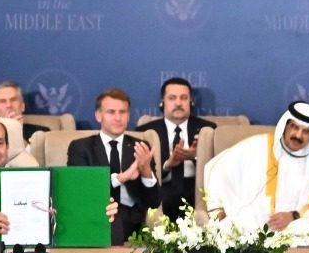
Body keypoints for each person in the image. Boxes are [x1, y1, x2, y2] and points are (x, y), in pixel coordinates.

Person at [203, 102, 309, 244]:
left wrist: (293, 216)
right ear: (286, 126)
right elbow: (218, 167)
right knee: (228, 233)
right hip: (253, 219)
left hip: (293, 226)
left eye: (306, 131)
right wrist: (217, 207)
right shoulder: (259, 145)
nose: (298, 135)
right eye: (294, 127)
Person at [66, 88, 159, 243]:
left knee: (120, 222)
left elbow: (154, 202)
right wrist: (122, 177)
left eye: (122, 112)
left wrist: (146, 171)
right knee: (112, 222)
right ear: (98, 115)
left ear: (128, 116)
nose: (118, 118)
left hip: (131, 220)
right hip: (94, 217)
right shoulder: (81, 147)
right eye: (111, 112)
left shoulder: (140, 147)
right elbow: (80, 193)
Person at [135, 77, 214, 220]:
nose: (178, 103)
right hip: (162, 193)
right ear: (162, 102)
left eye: (184, 98)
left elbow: (219, 169)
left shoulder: (208, 129)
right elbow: (140, 172)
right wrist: (167, 165)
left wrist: (196, 157)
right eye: (172, 98)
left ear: (191, 102)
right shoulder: (145, 131)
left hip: (198, 193)